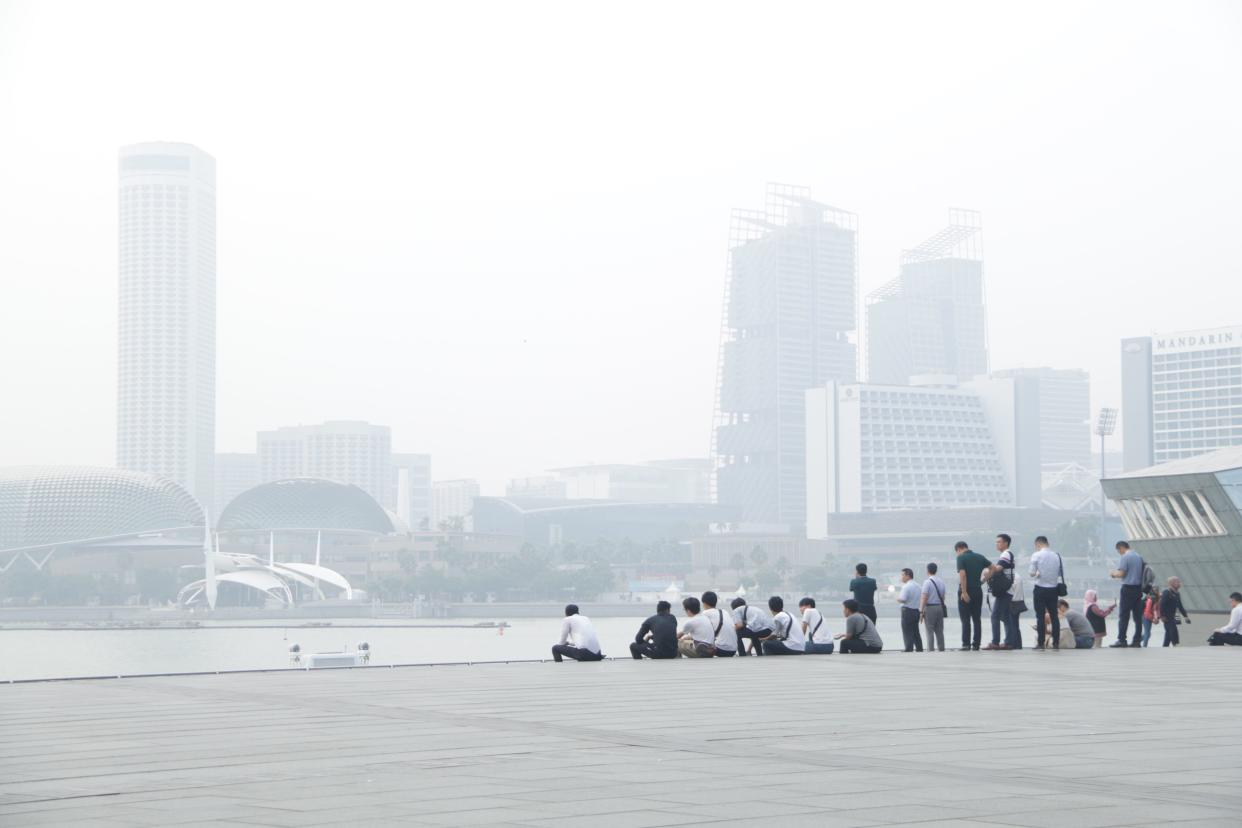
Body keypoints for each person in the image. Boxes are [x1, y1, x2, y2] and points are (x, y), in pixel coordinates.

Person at [982, 533, 1018, 650]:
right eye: (996, 542)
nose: (996, 544)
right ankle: (1008, 642)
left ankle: (995, 642)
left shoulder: (1006, 554)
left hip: (1005, 590)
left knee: (995, 616)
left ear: (1005, 543)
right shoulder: (1006, 554)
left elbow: (997, 569)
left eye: (999, 542)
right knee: (1006, 617)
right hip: (1008, 589)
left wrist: (986, 567)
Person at [1028, 536, 1063, 651]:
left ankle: (1041, 643)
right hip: (1053, 590)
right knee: (1054, 617)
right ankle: (1056, 643)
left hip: (1040, 589)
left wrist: (1038, 574)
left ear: (1037, 544)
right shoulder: (1056, 556)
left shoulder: (1036, 555)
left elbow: (1031, 573)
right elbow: (1058, 573)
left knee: (1040, 616)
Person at [955, 541, 991, 651]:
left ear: (959, 549)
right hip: (977, 590)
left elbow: (963, 575)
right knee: (976, 619)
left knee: (965, 619)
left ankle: (966, 644)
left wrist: (964, 592)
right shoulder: (980, 557)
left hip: (966, 590)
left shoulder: (961, 558)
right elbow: (993, 568)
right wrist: (983, 580)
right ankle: (976, 644)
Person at [1109, 540, 1146, 647]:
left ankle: (1122, 640)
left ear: (1121, 548)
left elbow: (1122, 573)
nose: (1119, 553)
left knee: (1124, 615)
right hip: (1138, 589)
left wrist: (1113, 574)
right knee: (1137, 617)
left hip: (1128, 588)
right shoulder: (1139, 557)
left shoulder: (1125, 557)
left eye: (1118, 551)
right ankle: (1137, 641)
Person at [919, 562, 948, 652]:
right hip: (939, 607)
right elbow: (943, 597)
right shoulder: (941, 582)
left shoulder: (927, 582)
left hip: (930, 608)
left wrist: (921, 610)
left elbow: (924, 597)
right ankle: (941, 649)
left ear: (927, 571)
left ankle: (930, 650)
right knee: (939, 630)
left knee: (929, 630)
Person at [700, 591, 738, 657]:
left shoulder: (705, 613)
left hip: (721, 650)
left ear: (704, 603)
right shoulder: (724, 611)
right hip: (733, 650)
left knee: (693, 644)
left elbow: (699, 633)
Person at [896, 568, 923, 652]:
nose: (901, 577)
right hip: (916, 611)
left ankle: (908, 648)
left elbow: (903, 599)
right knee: (915, 631)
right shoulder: (918, 586)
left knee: (907, 631)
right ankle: (919, 648)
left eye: (902, 575)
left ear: (908, 576)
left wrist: (897, 599)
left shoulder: (906, 586)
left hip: (907, 611)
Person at [1159, 577, 1191, 647]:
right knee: (1173, 630)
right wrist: (1162, 616)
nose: (1179, 584)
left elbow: (1180, 606)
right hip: (1166, 616)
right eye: (1178, 582)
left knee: (1168, 633)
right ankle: (1174, 644)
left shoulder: (1177, 593)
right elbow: (1161, 605)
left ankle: (1165, 646)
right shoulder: (1166, 592)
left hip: (1172, 616)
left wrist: (1186, 617)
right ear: (1172, 583)